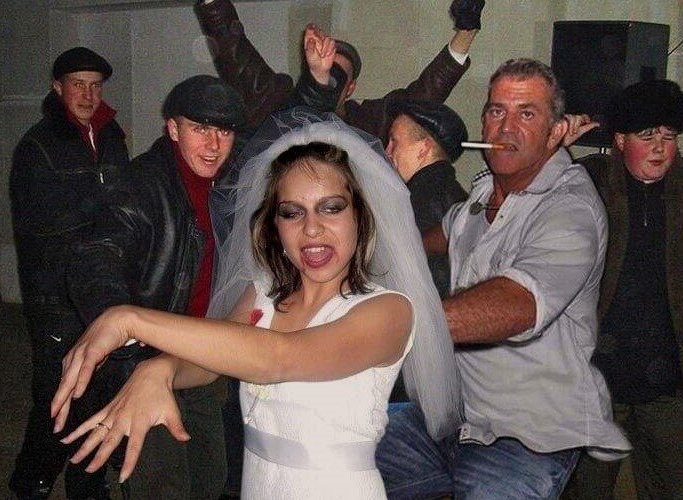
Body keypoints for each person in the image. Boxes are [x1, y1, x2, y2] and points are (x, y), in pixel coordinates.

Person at [50, 108, 461, 499]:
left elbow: (277, 358)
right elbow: (213, 361)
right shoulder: (264, 290)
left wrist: (130, 319)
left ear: (361, 216)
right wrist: (161, 369)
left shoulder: (387, 311)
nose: (312, 228)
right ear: (275, 225)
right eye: (292, 213)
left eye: (331, 208)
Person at [376, 58, 631, 499]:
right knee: (337, 453)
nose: (506, 126)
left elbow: (517, 304)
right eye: (497, 111)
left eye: (526, 114)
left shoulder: (570, 208)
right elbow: (442, 235)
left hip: (527, 436)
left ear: (556, 131)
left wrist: (389, 323)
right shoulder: (485, 190)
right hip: (452, 416)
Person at [59, 75, 245, 499]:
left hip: (204, 355)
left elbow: (283, 127)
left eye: (224, 131)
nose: (214, 144)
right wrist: (119, 323)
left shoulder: (230, 178)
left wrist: (319, 85)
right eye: (200, 128)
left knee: (209, 477)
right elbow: (97, 255)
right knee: (161, 485)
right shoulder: (139, 185)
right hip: (146, 360)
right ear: (173, 129)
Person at [563, 80, 683, 500]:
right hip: (599, 378)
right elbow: (527, 198)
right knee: (587, 490)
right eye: (647, 136)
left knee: (678, 486)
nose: (659, 147)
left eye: (669, 137)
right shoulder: (590, 180)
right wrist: (554, 149)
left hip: (668, 380)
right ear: (620, 140)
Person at [8, 46, 129, 500]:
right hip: (54, 290)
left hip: (102, 284)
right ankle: (38, 480)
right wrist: (105, 209)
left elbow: (126, 197)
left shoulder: (111, 135)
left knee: (93, 386)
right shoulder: (38, 145)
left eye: (95, 86)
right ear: (57, 88)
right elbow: (40, 221)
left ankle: (79, 481)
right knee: (60, 391)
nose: (88, 95)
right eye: (78, 85)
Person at [194, 0, 483, 141]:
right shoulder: (274, 100)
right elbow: (233, 48)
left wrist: (467, 29)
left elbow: (425, 94)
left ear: (351, 87)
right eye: (321, 68)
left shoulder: (368, 121)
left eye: (337, 76)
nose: (326, 75)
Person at [386, 100, 469, 298]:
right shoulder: (454, 195)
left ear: (424, 148)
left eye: (394, 142)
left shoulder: (420, 200)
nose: (387, 151)